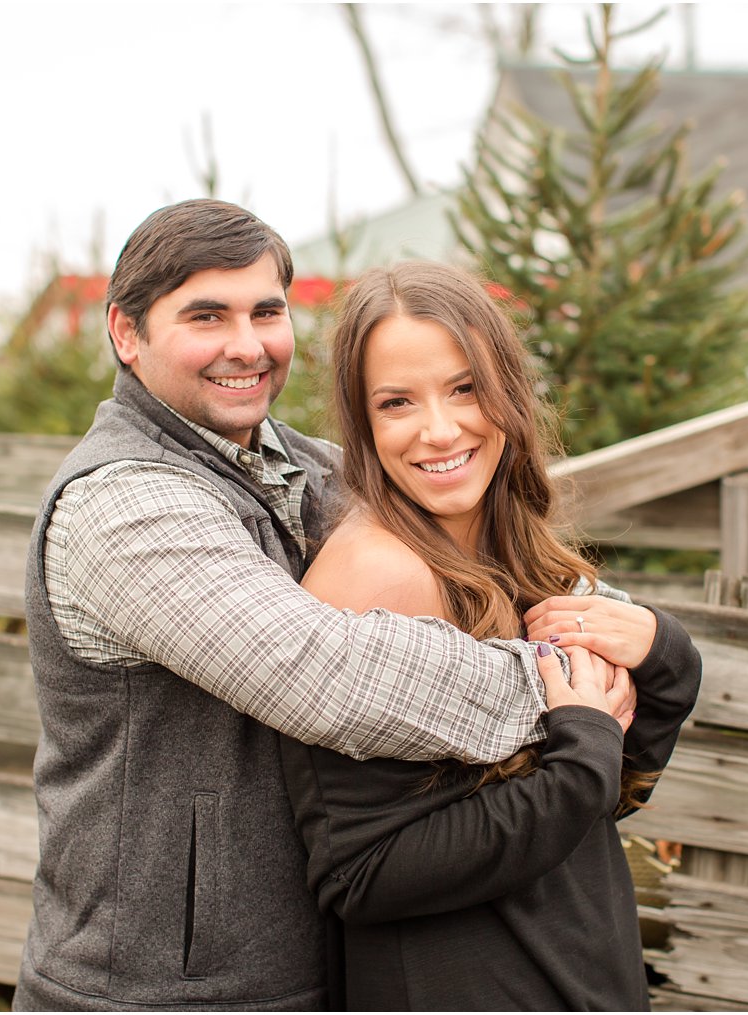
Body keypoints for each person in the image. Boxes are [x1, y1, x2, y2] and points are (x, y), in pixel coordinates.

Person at [15, 200, 634, 1011]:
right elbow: (321, 673)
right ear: (126, 334)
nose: (246, 344)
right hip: (148, 990)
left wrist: (626, 625)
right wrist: (568, 690)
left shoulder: (315, 469)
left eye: (265, 311)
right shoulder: (122, 506)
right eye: (207, 315)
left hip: (306, 970)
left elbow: (498, 543)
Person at [280, 260, 702, 1010]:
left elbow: (607, 790)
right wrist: (578, 759)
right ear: (363, 420)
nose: (440, 428)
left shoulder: (508, 547)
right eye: (397, 401)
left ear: (505, 387)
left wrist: (665, 656)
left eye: (465, 387)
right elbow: (363, 871)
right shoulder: (381, 578)